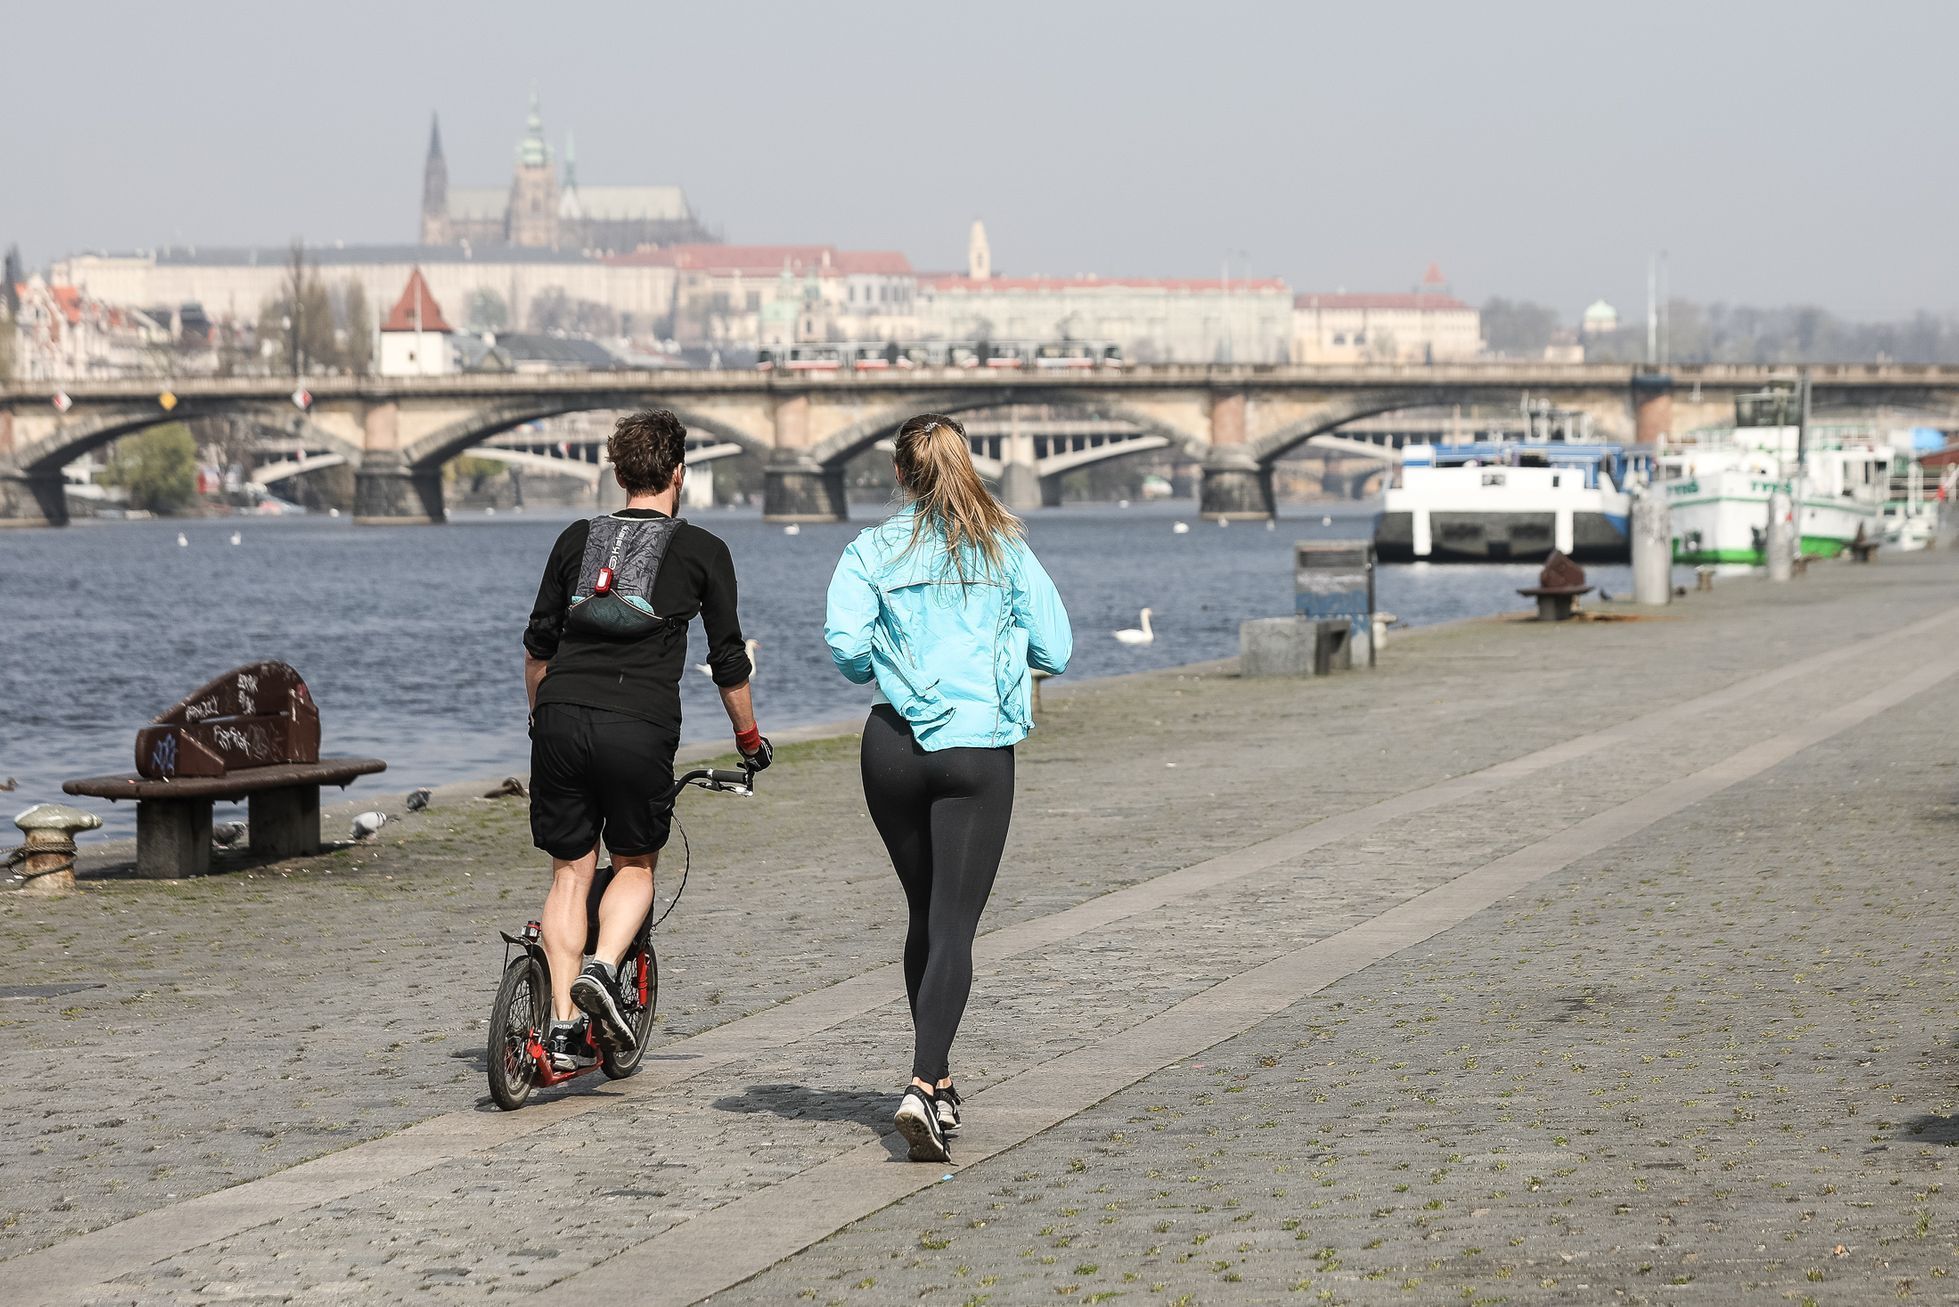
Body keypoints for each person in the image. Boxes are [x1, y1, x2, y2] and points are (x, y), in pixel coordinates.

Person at [823, 412, 1072, 1162]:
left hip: (892, 746)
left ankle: (940, 1079)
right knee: (955, 925)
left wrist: (891, 675)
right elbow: (1055, 647)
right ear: (967, 467)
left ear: (899, 475)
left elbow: (844, 645)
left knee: (924, 915)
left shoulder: (870, 548)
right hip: (976, 746)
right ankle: (923, 1081)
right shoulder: (1003, 547)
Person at [522, 408, 770, 1070]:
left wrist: (539, 720)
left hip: (560, 717)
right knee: (634, 863)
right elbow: (729, 664)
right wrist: (748, 738)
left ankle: (561, 1030)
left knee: (570, 873)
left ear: (617, 471)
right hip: (638, 727)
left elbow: (537, 648)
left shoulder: (576, 538)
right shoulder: (704, 550)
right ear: (679, 473)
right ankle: (603, 968)